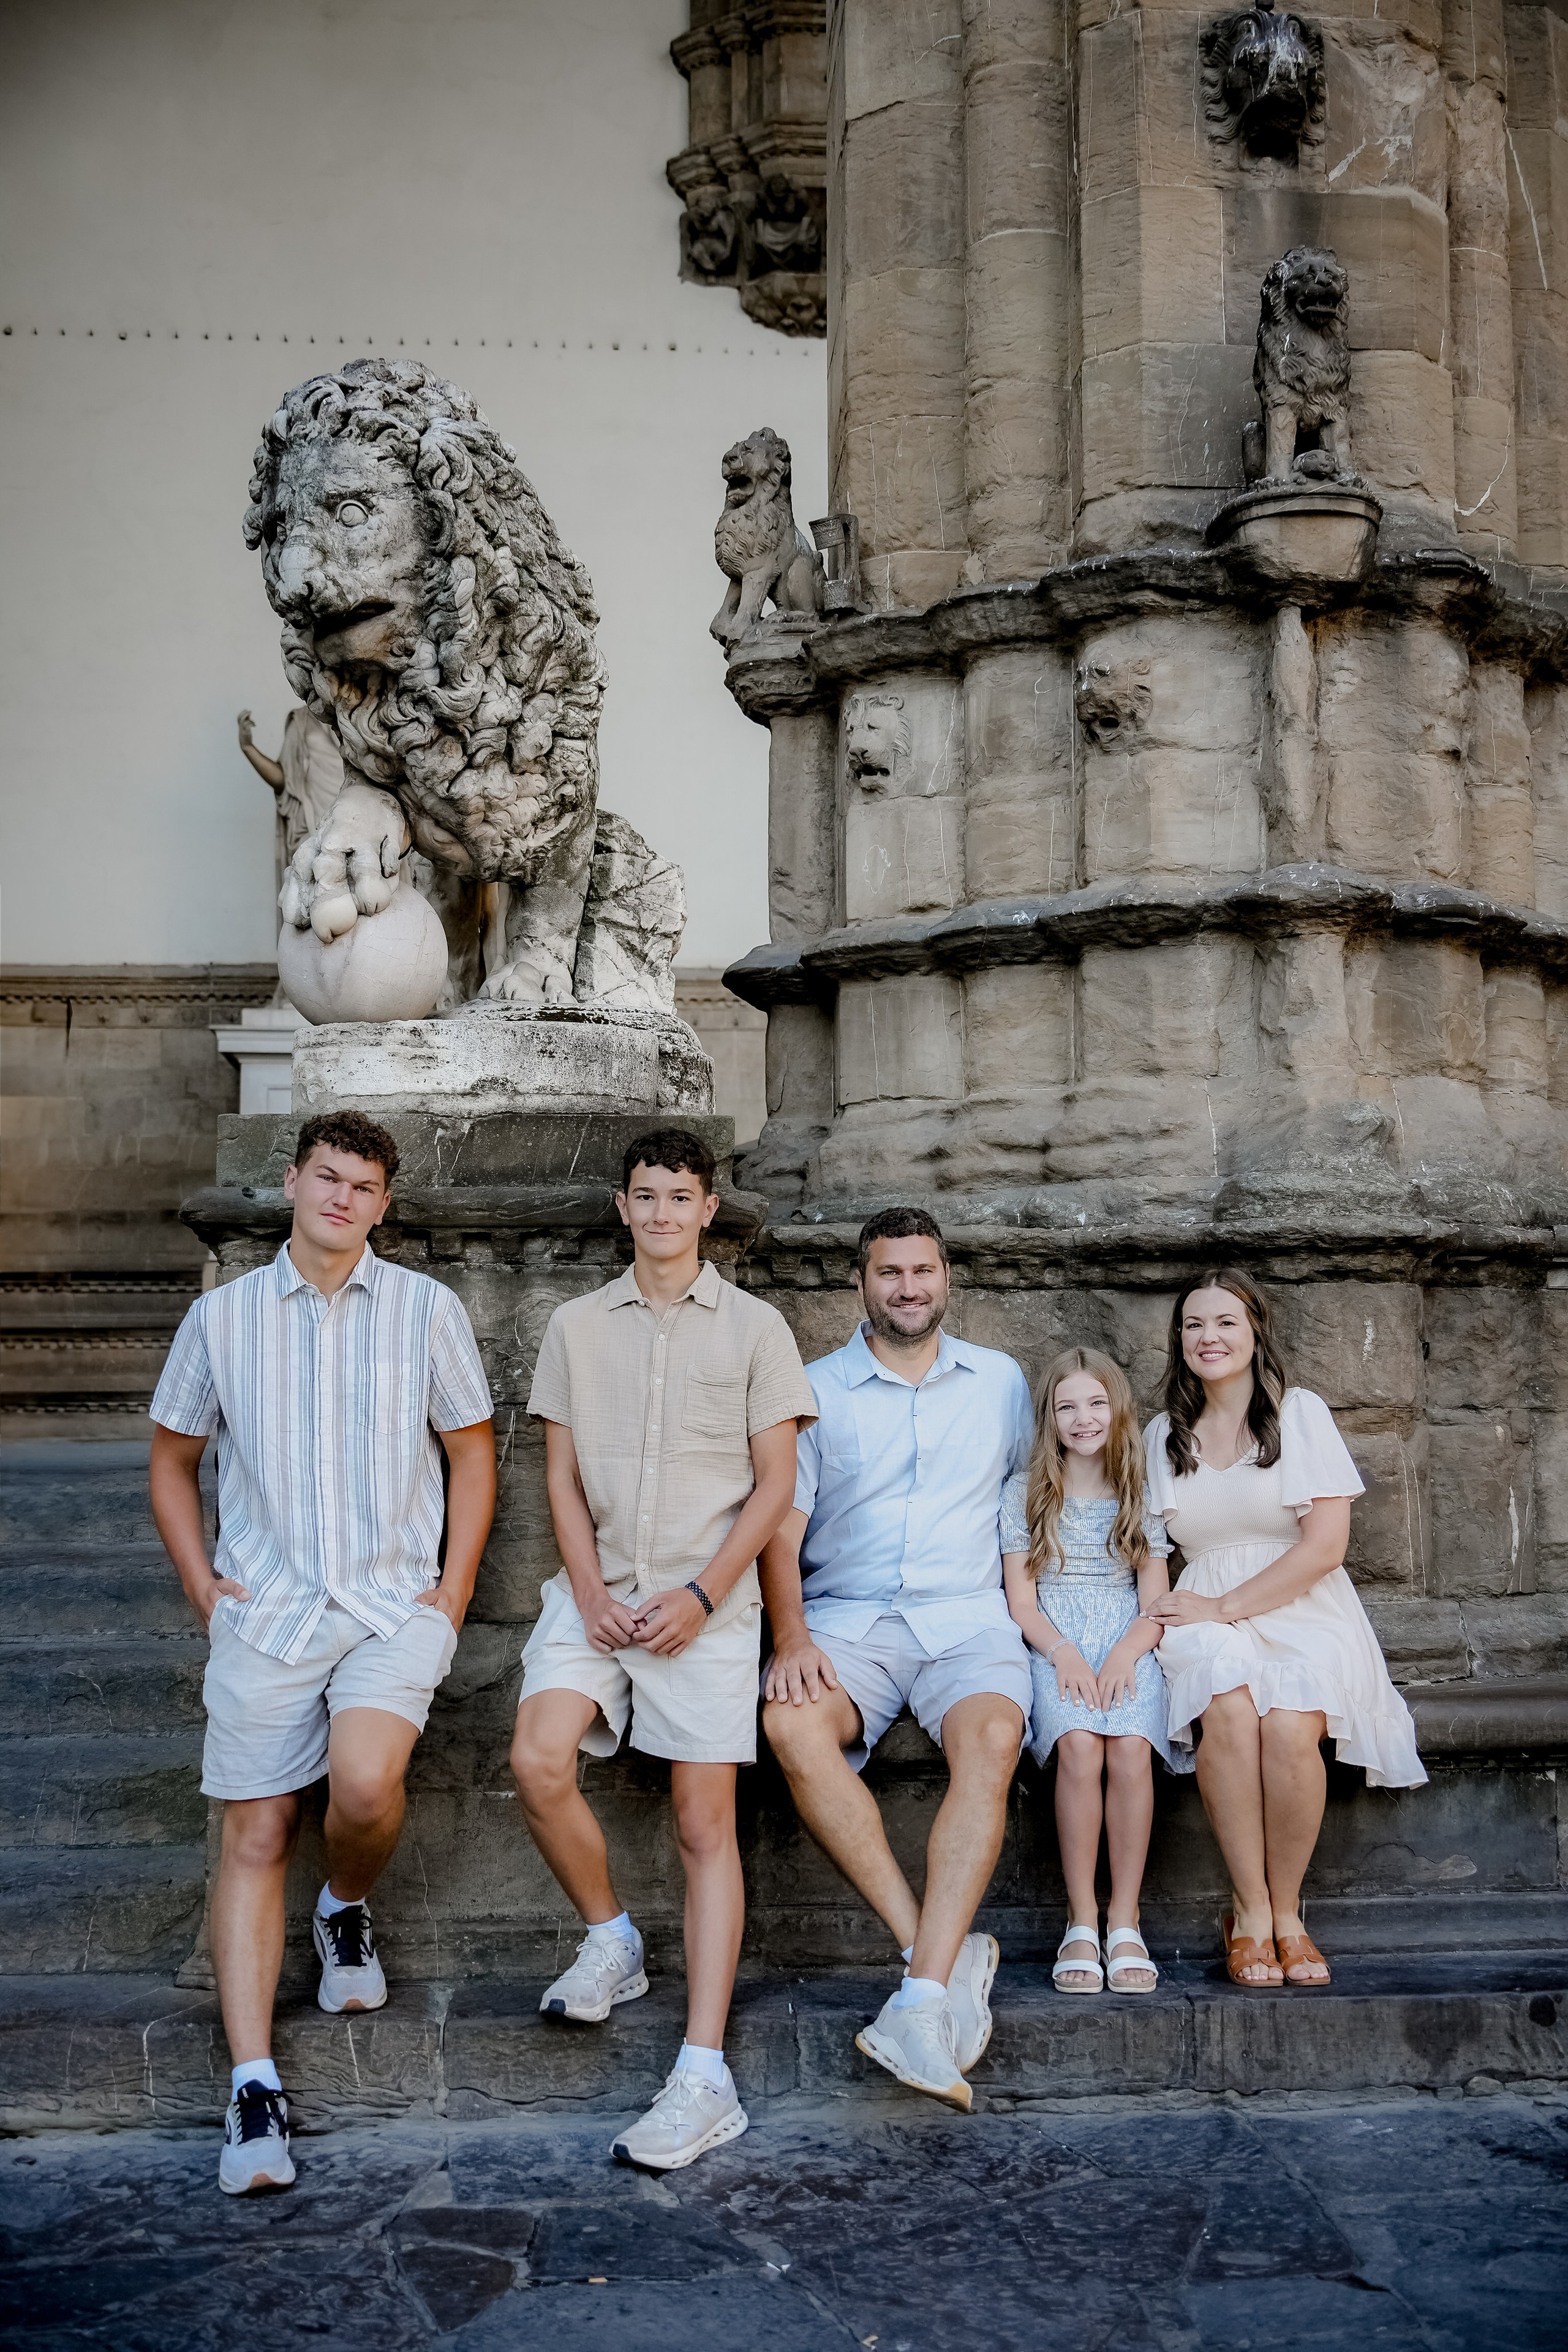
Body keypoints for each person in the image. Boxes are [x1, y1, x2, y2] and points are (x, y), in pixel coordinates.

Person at [148, 1109, 496, 2196]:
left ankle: (344, 1904)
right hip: (268, 1612)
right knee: (254, 1831)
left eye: (364, 1187)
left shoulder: (427, 1310)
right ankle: (253, 2086)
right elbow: (171, 1459)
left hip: (392, 1606)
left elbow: (472, 1453)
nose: (343, 1199)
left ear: (383, 1206)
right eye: (328, 1178)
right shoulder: (222, 1318)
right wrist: (203, 1585)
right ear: (294, 1182)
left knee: (365, 1784)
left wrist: (454, 1592)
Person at [511, 1127, 816, 2172]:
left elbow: (776, 1486)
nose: (661, 1213)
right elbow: (558, 1477)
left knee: (701, 1825)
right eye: (645, 1195)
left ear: (707, 1209)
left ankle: (703, 2071)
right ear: (622, 1205)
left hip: (709, 1606)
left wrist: (704, 1593)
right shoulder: (574, 1326)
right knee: (536, 1759)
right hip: (597, 1595)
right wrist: (592, 1591)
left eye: (680, 1197)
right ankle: (612, 1937)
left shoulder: (757, 1328)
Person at [760, 1208, 1034, 2113]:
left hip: (969, 1619)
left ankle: (916, 1998)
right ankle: (936, 1961)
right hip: (850, 1622)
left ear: (945, 1278)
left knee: (993, 1739)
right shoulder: (814, 1388)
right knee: (790, 1725)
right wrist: (791, 1639)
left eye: (922, 1271)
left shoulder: (1001, 1382)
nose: (907, 1288)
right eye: (889, 1273)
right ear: (861, 1283)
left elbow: (1026, 1505)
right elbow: (781, 1530)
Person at [1144, 1268, 1426, 1989]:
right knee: (1229, 1706)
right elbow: (1146, 1549)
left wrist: (1225, 1607)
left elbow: (1325, 1547)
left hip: (1299, 1600)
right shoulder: (1162, 1434)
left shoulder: (1297, 1413)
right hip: (1202, 1605)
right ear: (1179, 1340)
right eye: (1194, 1324)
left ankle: (1287, 1914)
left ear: (1255, 1332)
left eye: (1225, 1322)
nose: (1208, 1337)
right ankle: (1248, 1912)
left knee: (1291, 1720)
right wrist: (1173, 1618)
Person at [1001, 1348, 1183, 1998]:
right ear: (1049, 1419)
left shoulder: (1141, 1489)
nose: (1084, 1418)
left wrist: (1127, 1652)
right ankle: (1080, 1918)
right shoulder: (1024, 1493)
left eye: (1097, 1403)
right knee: (1079, 1745)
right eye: (1067, 1406)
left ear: (1118, 1409)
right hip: (1055, 1640)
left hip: (1128, 1637)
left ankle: (1124, 1919)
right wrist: (1064, 1653)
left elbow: (1155, 1601)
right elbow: (1021, 1603)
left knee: (1130, 1747)